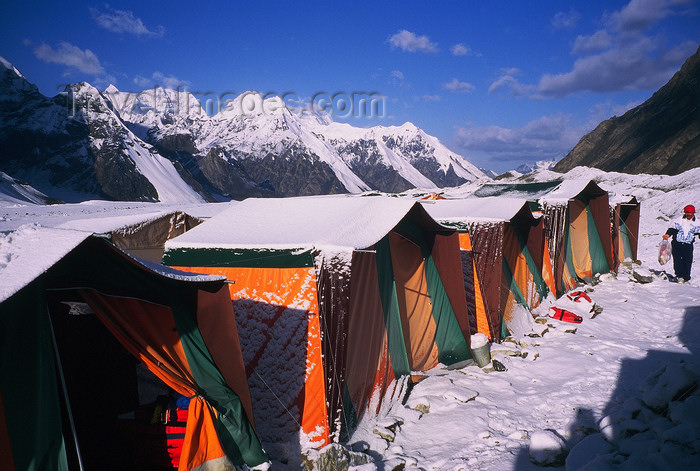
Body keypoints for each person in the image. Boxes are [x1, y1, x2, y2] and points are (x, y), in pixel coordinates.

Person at [662, 204, 700, 283]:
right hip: (677, 243)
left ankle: (686, 277)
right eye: (687, 212)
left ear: (693, 213)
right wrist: (667, 235)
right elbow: (672, 229)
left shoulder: (697, 222)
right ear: (684, 212)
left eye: (690, 213)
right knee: (677, 260)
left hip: (688, 245)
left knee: (687, 260)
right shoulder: (678, 220)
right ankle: (680, 276)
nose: (689, 214)